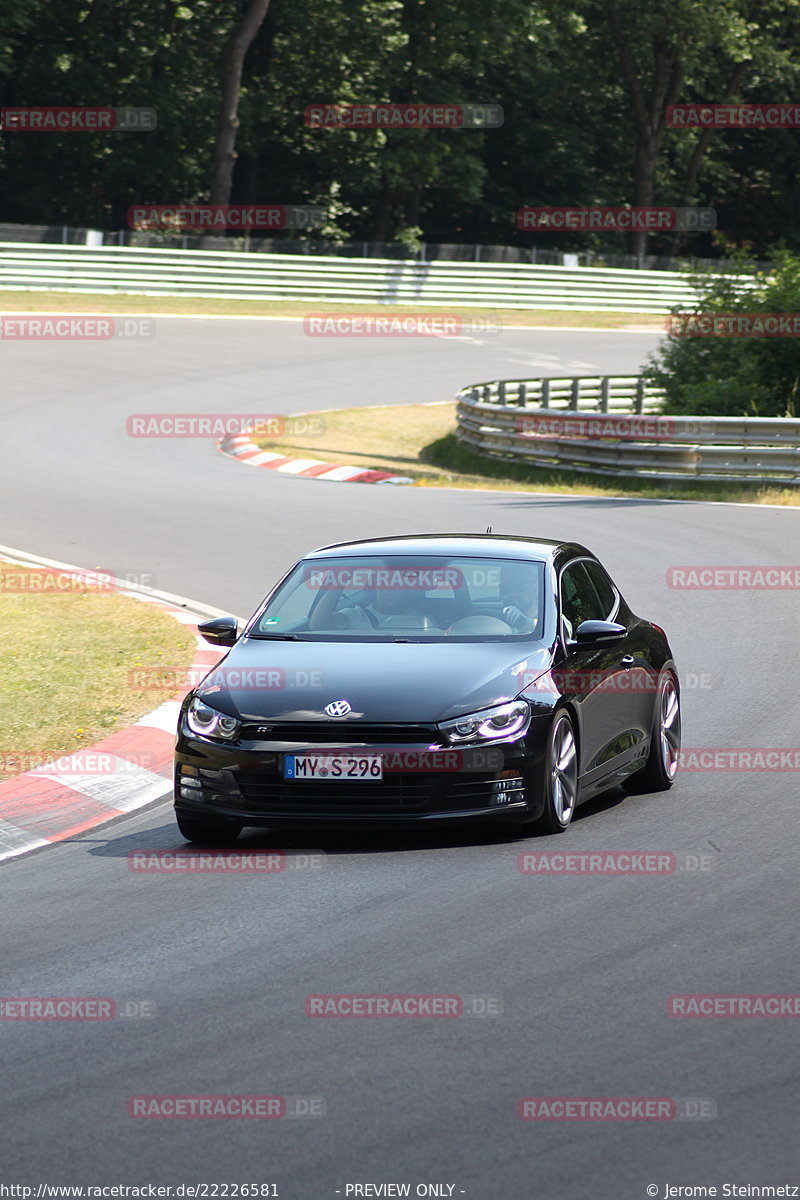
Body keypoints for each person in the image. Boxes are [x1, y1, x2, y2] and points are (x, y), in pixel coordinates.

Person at [498, 563, 539, 633]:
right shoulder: (493, 619)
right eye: (506, 588)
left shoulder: (550, 619)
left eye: (519, 587)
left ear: (535, 588)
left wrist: (529, 623)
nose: (512, 594)